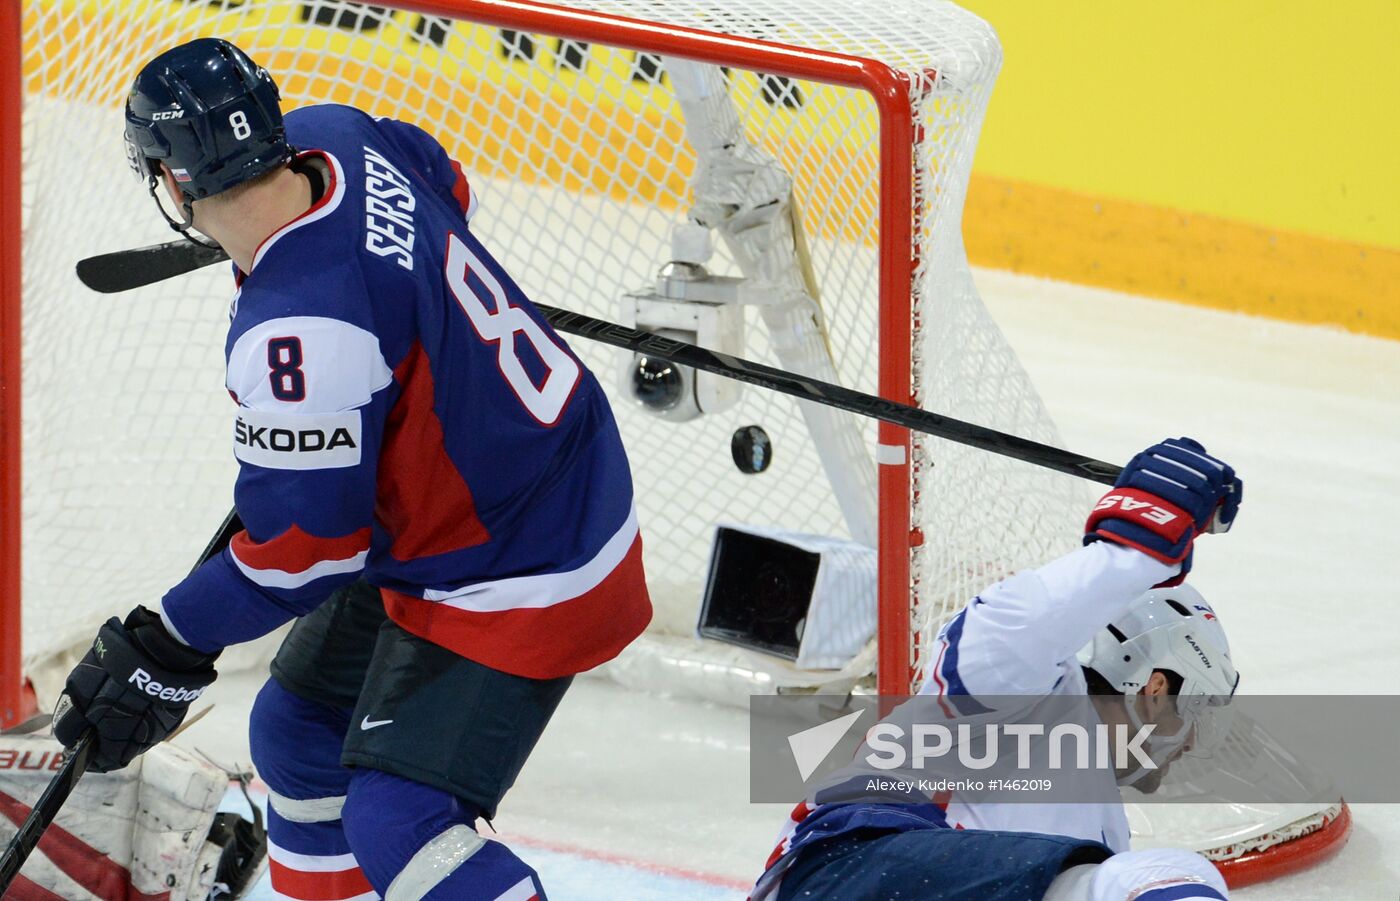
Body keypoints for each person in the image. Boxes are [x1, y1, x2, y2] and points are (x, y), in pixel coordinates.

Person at [51, 37, 652, 900]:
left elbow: (309, 551)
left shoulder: (298, 337)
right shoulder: (336, 135)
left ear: (173, 182)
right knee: (296, 735)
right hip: (521, 479)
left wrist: (169, 637)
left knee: (399, 822)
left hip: (526, 561)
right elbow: (445, 180)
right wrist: (412, 309)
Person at [750, 437, 1243, 901]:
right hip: (847, 872)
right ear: (1155, 688)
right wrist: (1141, 544)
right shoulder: (1020, 686)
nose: (1194, 741)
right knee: (1161, 879)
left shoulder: (1099, 826)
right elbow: (1020, 616)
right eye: (1195, 708)